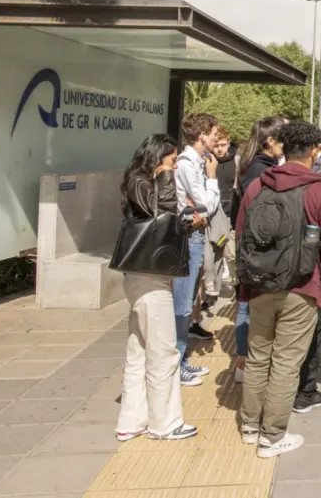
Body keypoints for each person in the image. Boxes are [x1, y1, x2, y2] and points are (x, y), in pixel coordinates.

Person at [236, 120, 321, 458]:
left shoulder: (258, 185)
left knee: (258, 356)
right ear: (314, 151)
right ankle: (272, 436)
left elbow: (241, 233)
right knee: (286, 362)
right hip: (302, 285)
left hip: (259, 285)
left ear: (282, 147)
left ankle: (250, 425)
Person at [116, 134, 199, 441]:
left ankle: (131, 420)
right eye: (172, 160)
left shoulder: (138, 182)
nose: (175, 166)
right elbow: (161, 208)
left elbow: (162, 218)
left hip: (142, 275)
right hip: (149, 278)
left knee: (139, 350)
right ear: (157, 157)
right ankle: (165, 423)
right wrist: (165, 175)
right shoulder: (140, 182)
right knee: (163, 351)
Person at [232, 116, 287, 383]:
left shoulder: (258, 164)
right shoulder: (258, 169)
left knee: (248, 303)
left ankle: (245, 361)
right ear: (270, 141)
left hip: (252, 246)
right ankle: (243, 362)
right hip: (255, 248)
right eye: (283, 139)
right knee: (246, 305)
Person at [173, 113, 220, 386]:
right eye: (213, 134)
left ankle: (181, 359)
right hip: (189, 236)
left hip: (196, 235)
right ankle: (176, 364)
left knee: (189, 300)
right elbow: (205, 206)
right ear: (202, 135)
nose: (216, 138)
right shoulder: (187, 164)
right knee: (182, 304)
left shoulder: (197, 163)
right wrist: (212, 179)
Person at [202, 127, 237, 314]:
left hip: (229, 217)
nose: (220, 149)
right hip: (212, 216)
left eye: (224, 145)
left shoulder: (236, 162)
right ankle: (211, 292)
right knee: (212, 257)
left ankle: (236, 284)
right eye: (217, 145)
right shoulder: (207, 161)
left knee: (230, 255)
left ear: (229, 144)